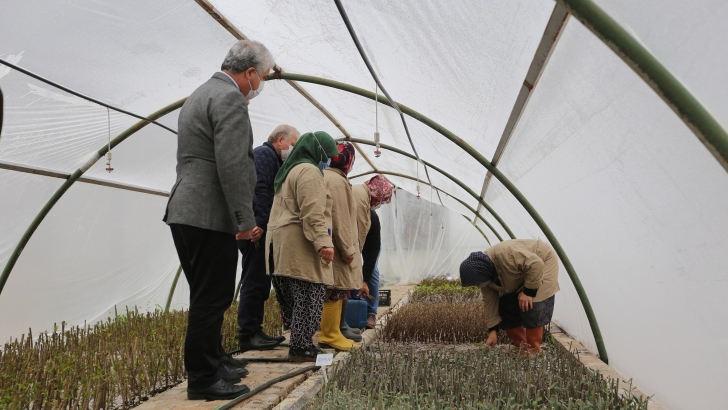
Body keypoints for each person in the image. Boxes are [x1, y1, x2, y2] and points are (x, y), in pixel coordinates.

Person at [163, 39, 274, 400]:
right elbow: (232, 164)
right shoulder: (229, 98)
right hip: (209, 213)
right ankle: (203, 379)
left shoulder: (200, 93)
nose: (260, 86)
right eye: (263, 78)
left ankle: (215, 360)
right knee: (213, 297)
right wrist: (245, 219)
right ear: (250, 73)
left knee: (206, 295)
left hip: (187, 209)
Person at [266, 131, 340, 362]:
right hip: (299, 245)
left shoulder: (289, 169)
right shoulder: (309, 171)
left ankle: (300, 344)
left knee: (297, 299)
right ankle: (301, 347)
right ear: (317, 151)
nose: (327, 161)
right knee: (310, 293)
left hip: (281, 245)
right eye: (326, 155)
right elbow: (313, 212)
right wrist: (323, 243)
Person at [237, 125, 299, 352]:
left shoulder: (273, 159)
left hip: (259, 227)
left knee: (260, 281)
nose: (292, 148)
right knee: (254, 281)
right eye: (292, 144)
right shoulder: (264, 155)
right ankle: (247, 334)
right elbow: (260, 190)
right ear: (281, 140)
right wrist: (261, 224)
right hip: (255, 230)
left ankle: (255, 330)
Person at [459, 239, 560, 353]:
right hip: (523, 272)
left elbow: (536, 264)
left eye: (476, 282)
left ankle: (533, 350)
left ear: (482, 272)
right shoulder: (485, 276)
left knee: (533, 305)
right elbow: (490, 303)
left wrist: (528, 292)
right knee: (506, 307)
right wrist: (493, 331)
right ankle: (522, 347)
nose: (477, 285)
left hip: (542, 262)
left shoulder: (505, 255)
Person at [318, 142, 362, 351]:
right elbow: (341, 218)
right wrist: (348, 250)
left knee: (332, 289)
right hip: (336, 245)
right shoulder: (337, 181)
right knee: (335, 289)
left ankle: (332, 331)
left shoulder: (326, 175)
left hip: (329, 243)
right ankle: (330, 334)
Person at [352, 175, 393, 329]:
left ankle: (371, 312)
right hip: (349, 240)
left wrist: (364, 280)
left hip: (366, 243)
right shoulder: (354, 197)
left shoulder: (372, 218)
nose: (377, 204)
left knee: (373, 272)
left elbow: (372, 250)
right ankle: (350, 307)